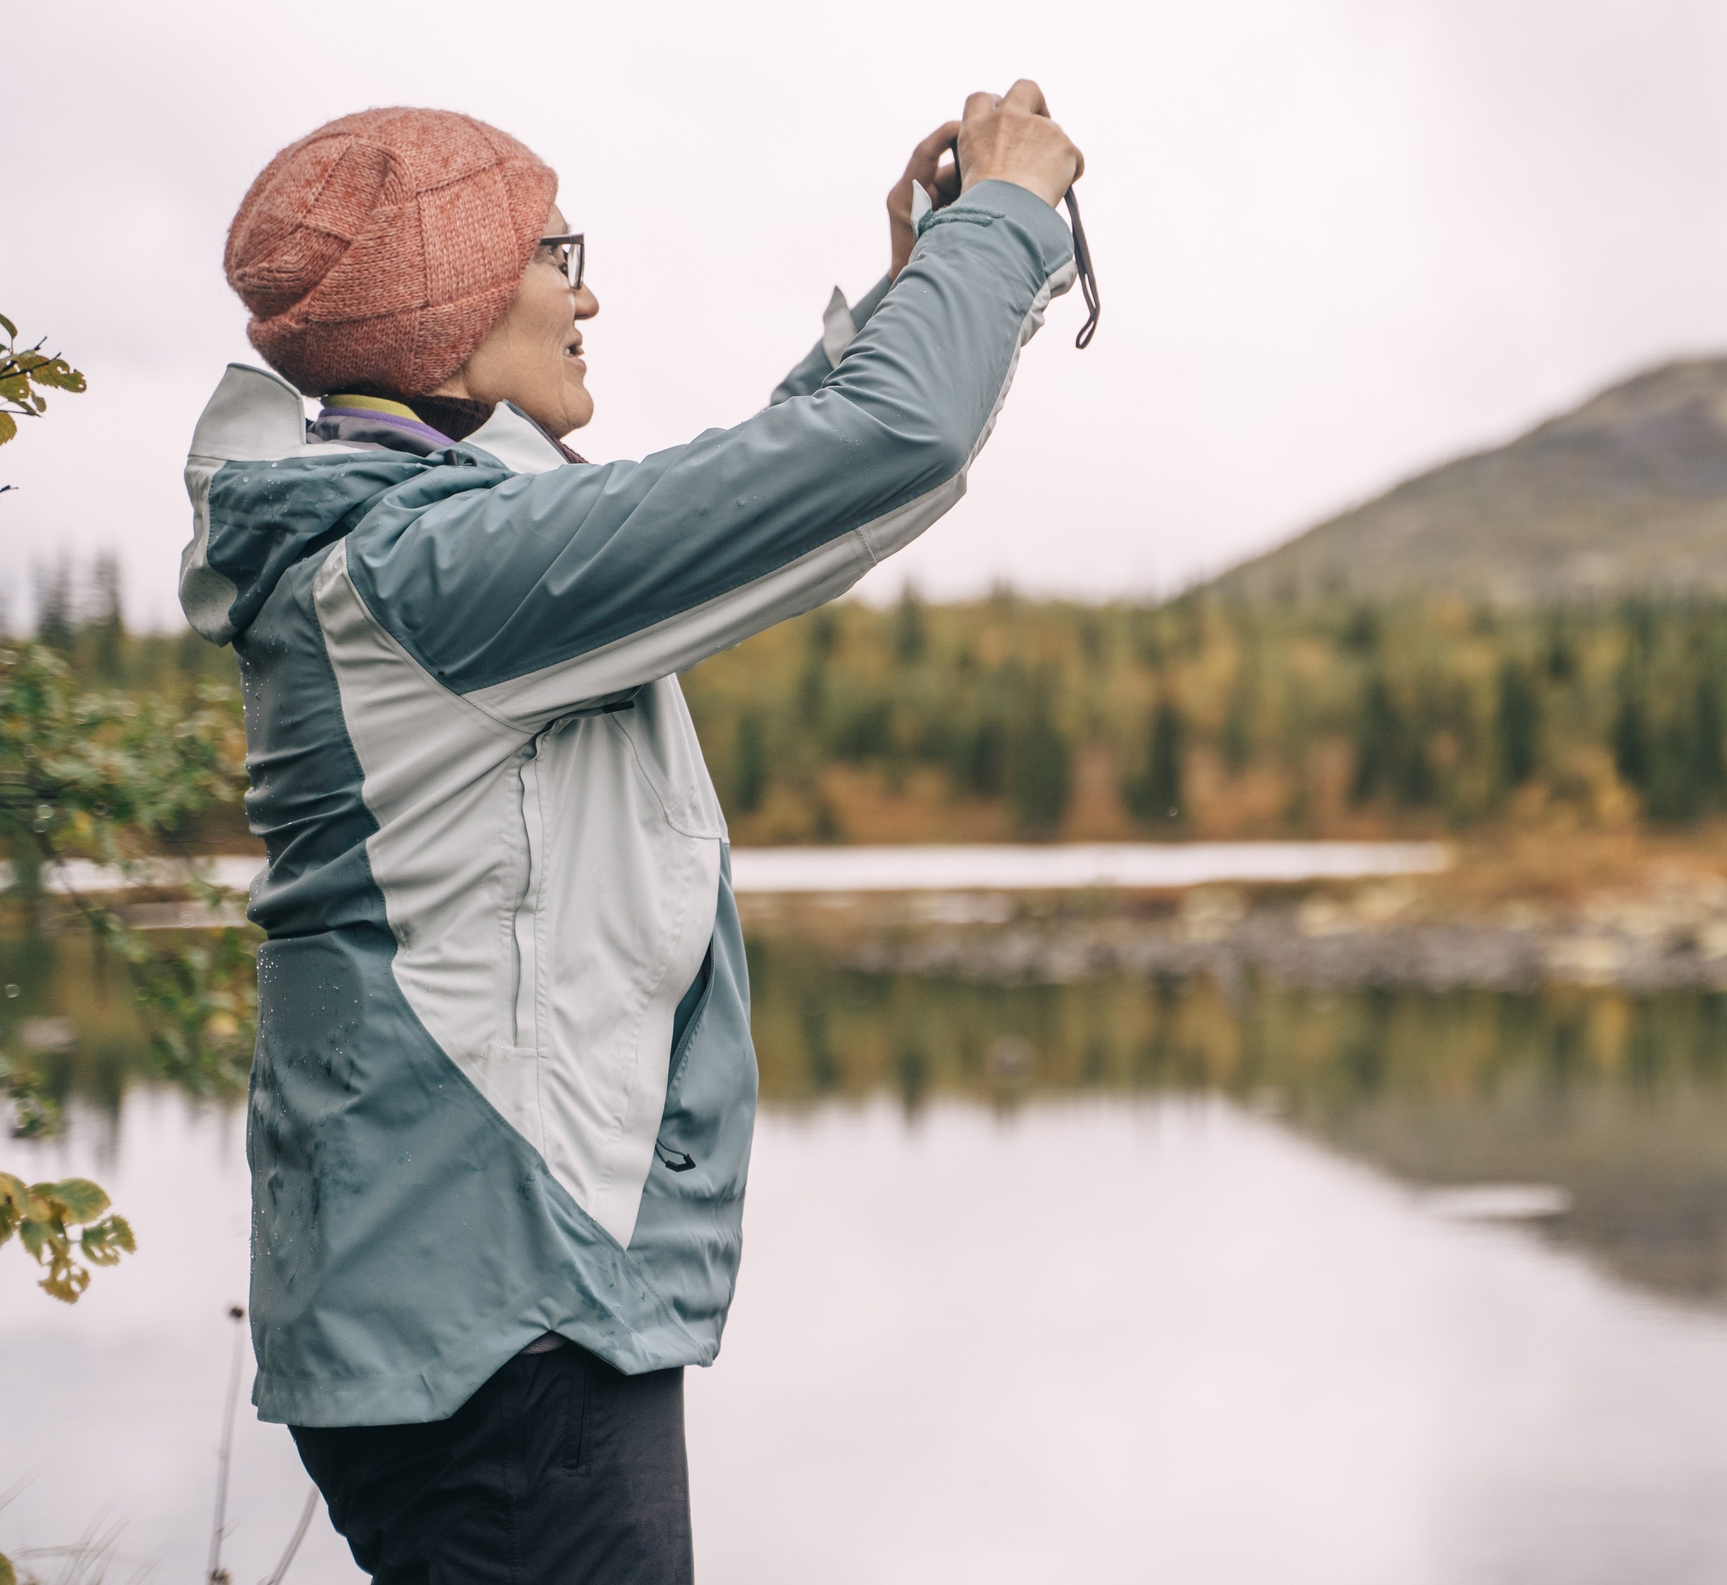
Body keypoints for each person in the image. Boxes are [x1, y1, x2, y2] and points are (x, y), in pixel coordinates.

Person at [182, 87, 1083, 1583]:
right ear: (448, 299)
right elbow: (877, 452)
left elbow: (778, 471)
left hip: (469, 1305)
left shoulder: (407, 540)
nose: (585, 289)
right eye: (552, 249)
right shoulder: (426, 568)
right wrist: (1002, 224)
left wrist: (935, 270)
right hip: (501, 1326)